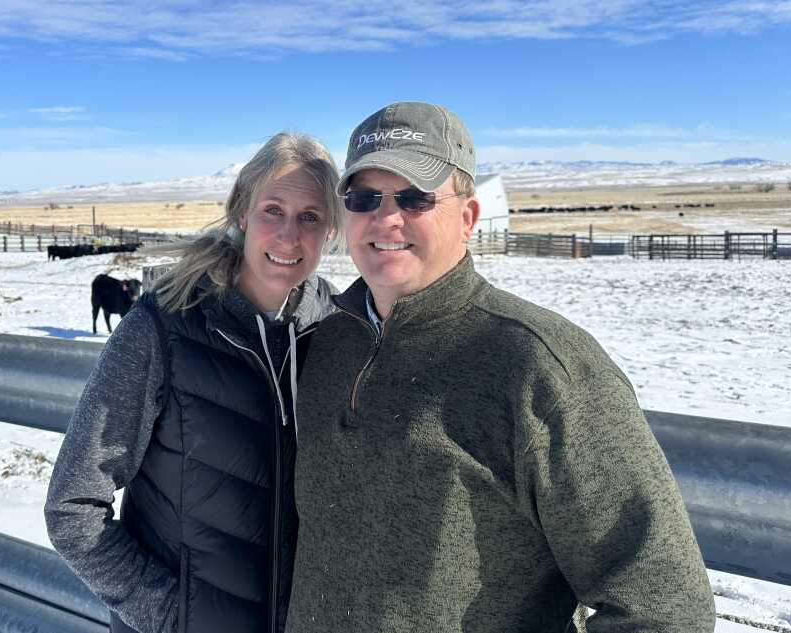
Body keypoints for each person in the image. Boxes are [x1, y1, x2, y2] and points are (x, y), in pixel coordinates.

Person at [286, 102, 715, 633]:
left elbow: (663, 605)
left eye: (415, 198)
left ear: (467, 218)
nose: (386, 218)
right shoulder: (324, 345)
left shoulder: (539, 364)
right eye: (363, 198)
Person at [45, 132, 343, 633]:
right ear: (242, 214)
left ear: (331, 230)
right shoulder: (163, 327)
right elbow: (72, 508)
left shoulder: (338, 333)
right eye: (273, 209)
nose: (289, 237)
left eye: (310, 217)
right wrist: (172, 617)